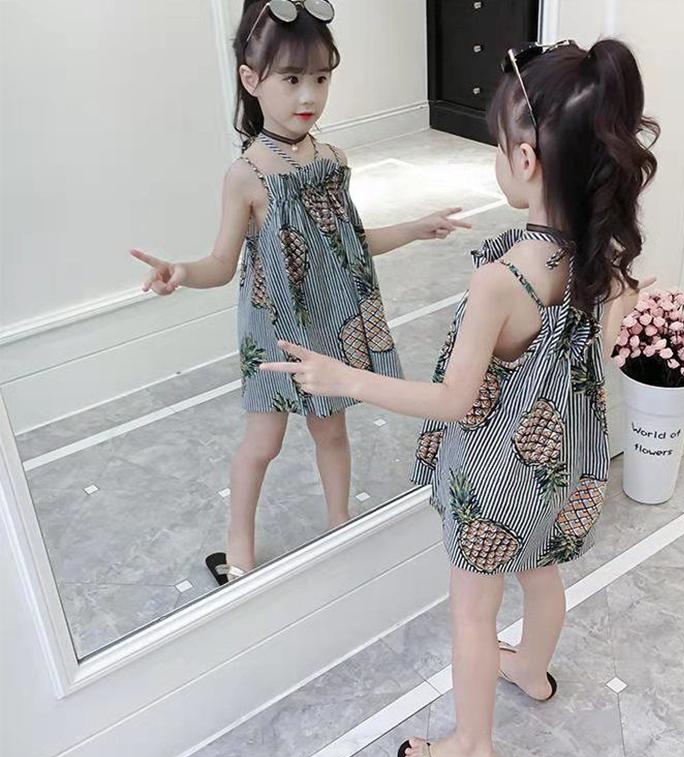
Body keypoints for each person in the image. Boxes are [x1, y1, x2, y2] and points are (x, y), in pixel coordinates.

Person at [264, 37, 659, 757]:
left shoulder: (502, 280)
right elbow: (608, 350)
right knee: (539, 569)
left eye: (497, 145)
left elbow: (452, 401)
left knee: (473, 612)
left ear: (526, 161)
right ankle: (533, 670)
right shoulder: (600, 257)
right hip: (560, 463)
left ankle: (472, 747)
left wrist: (342, 376)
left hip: (495, 475)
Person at [131, 0, 470, 586]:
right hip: (274, 330)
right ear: (251, 80)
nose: (308, 95)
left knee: (331, 431)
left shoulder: (334, 161)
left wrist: (415, 228)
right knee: (263, 441)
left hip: (331, 324)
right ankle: (239, 546)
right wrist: (181, 272)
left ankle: (340, 525)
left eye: (320, 77)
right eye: (291, 79)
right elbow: (222, 264)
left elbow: (351, 244)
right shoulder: (248, 176)